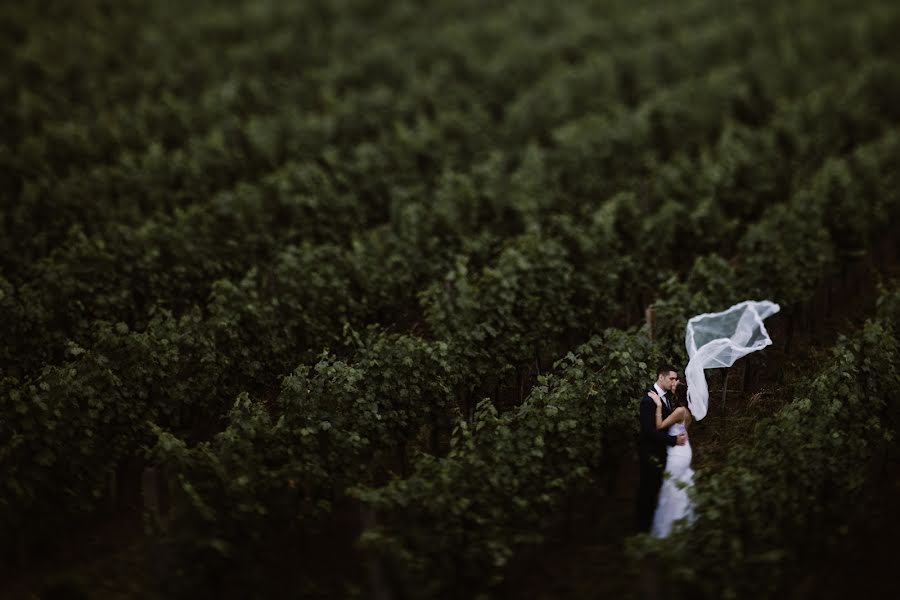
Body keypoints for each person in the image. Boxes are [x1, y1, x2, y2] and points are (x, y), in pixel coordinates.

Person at [636, 365, 686, 533]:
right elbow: (649, 432)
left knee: (656, 491)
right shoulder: (648, 400)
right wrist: (673, 440)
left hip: (662, 452)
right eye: (672, 378)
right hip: (650, 453)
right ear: (661, 377)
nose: (674, 382)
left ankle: (651, 527)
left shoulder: (666, 398)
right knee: (647, 492)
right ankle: (641, 530)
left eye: (676, 379)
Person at [648, 382, 695, 538]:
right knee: (679, 487)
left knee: (670, 487)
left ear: (678, 394)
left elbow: (660, 425)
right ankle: (681, 525)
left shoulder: (680, 411)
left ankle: (669, 530)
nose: (672, 386)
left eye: (675, 386)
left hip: (678, 453)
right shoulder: (688, 411)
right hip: (684, 449)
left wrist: (658, 405)